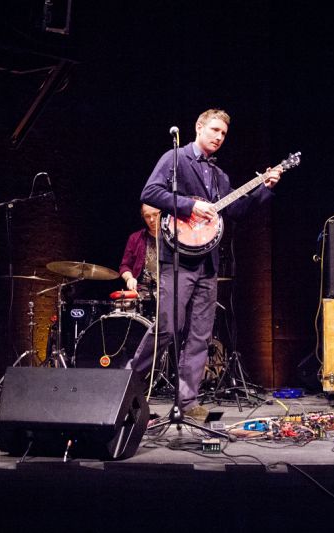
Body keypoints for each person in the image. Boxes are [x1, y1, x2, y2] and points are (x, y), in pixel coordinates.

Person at [126, 109, 281, 421]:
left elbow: (236, 211)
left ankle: (188, 400)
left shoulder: (219, 176)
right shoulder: (176, 158)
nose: (218, 137)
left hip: (208, 263)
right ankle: (127, 383)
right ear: (198, 128)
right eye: (214, 130)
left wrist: (265, 188)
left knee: (199, 334)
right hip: (178, 259)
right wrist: (190, 205)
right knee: (169, 327)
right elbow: (150, 192)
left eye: (223, 134)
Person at [119, 204, 160, 314]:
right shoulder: (135, 238)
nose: (151, 220)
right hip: (142, 292)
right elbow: (124, 266)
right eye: (147, 216)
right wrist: (129, 278)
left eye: (155, 215)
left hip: (167, 292)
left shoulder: (174, 237)